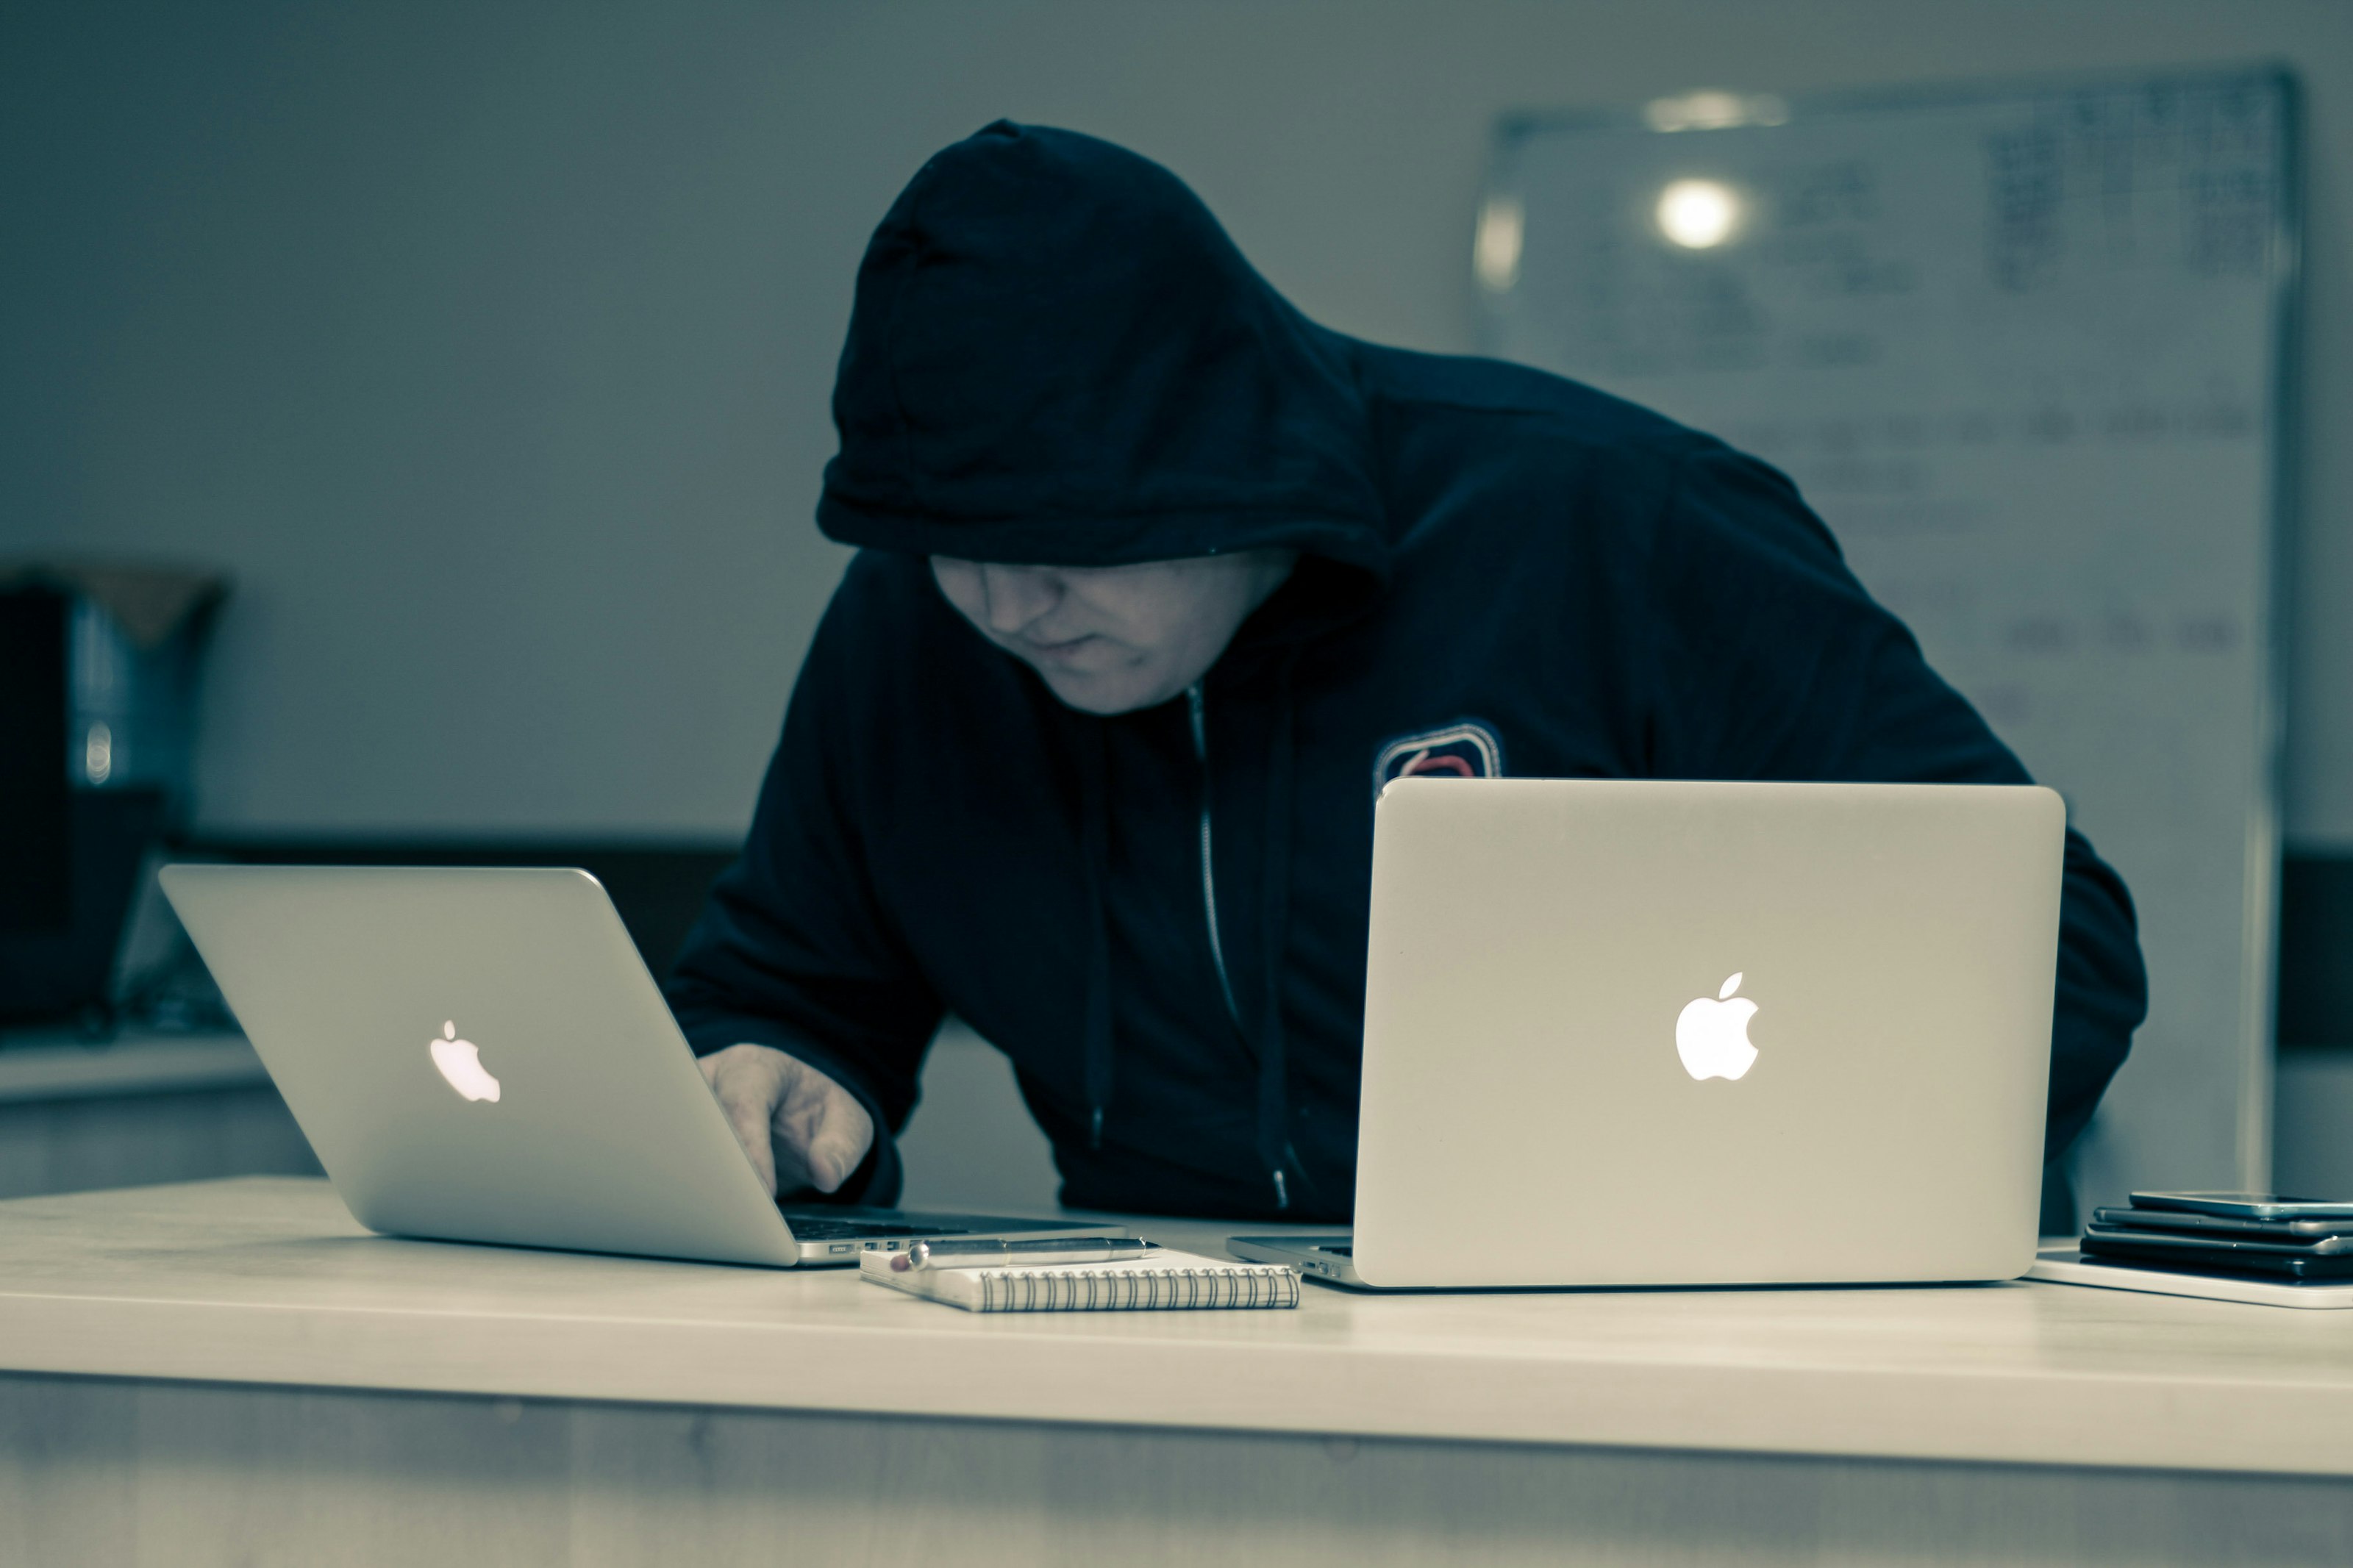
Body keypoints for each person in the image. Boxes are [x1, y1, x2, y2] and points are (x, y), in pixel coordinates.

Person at [667, 121, 2147, 1222]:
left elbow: (2048, 947)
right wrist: (778, 1075)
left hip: (1658, 1331)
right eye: (942, 541)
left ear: (1224, 462)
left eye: (1066, 538)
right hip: (1170, 1358)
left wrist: (1737, 1202)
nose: (1003, 601)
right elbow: (790, 986)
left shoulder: (1610, 525)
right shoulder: (918, 625)